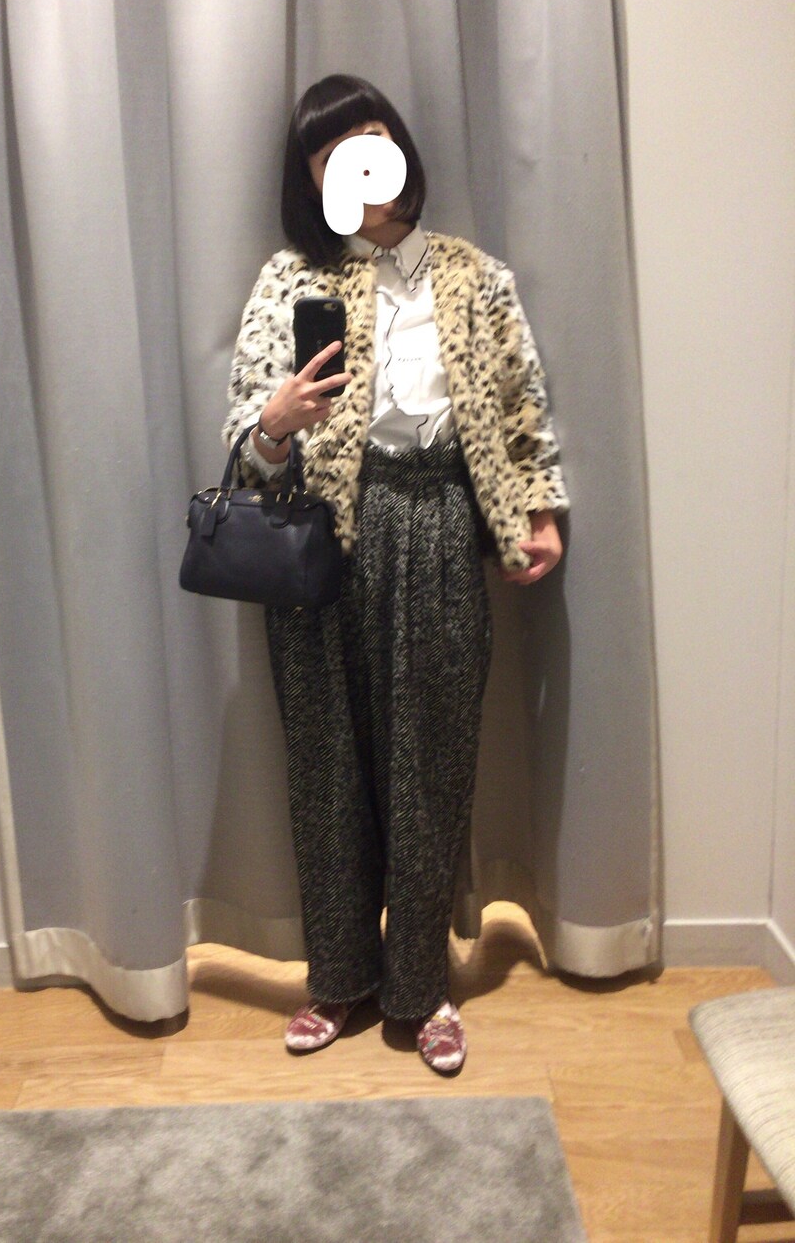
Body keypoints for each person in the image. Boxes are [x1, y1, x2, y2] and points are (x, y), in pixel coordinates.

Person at [223, 74, 568, 1074]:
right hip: (317, 543)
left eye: (370, 140)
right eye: (331, 157)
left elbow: (519, 403)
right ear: (312, 182)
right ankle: (338, 976)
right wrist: (274, 425)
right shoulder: (288, 279)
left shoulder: (474, 275)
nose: (358, 167)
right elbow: (245, 433)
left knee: (430, 767)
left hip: (442, 524)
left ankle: (422, 986)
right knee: (326, 768)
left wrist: (536, 509)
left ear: (401, 149)